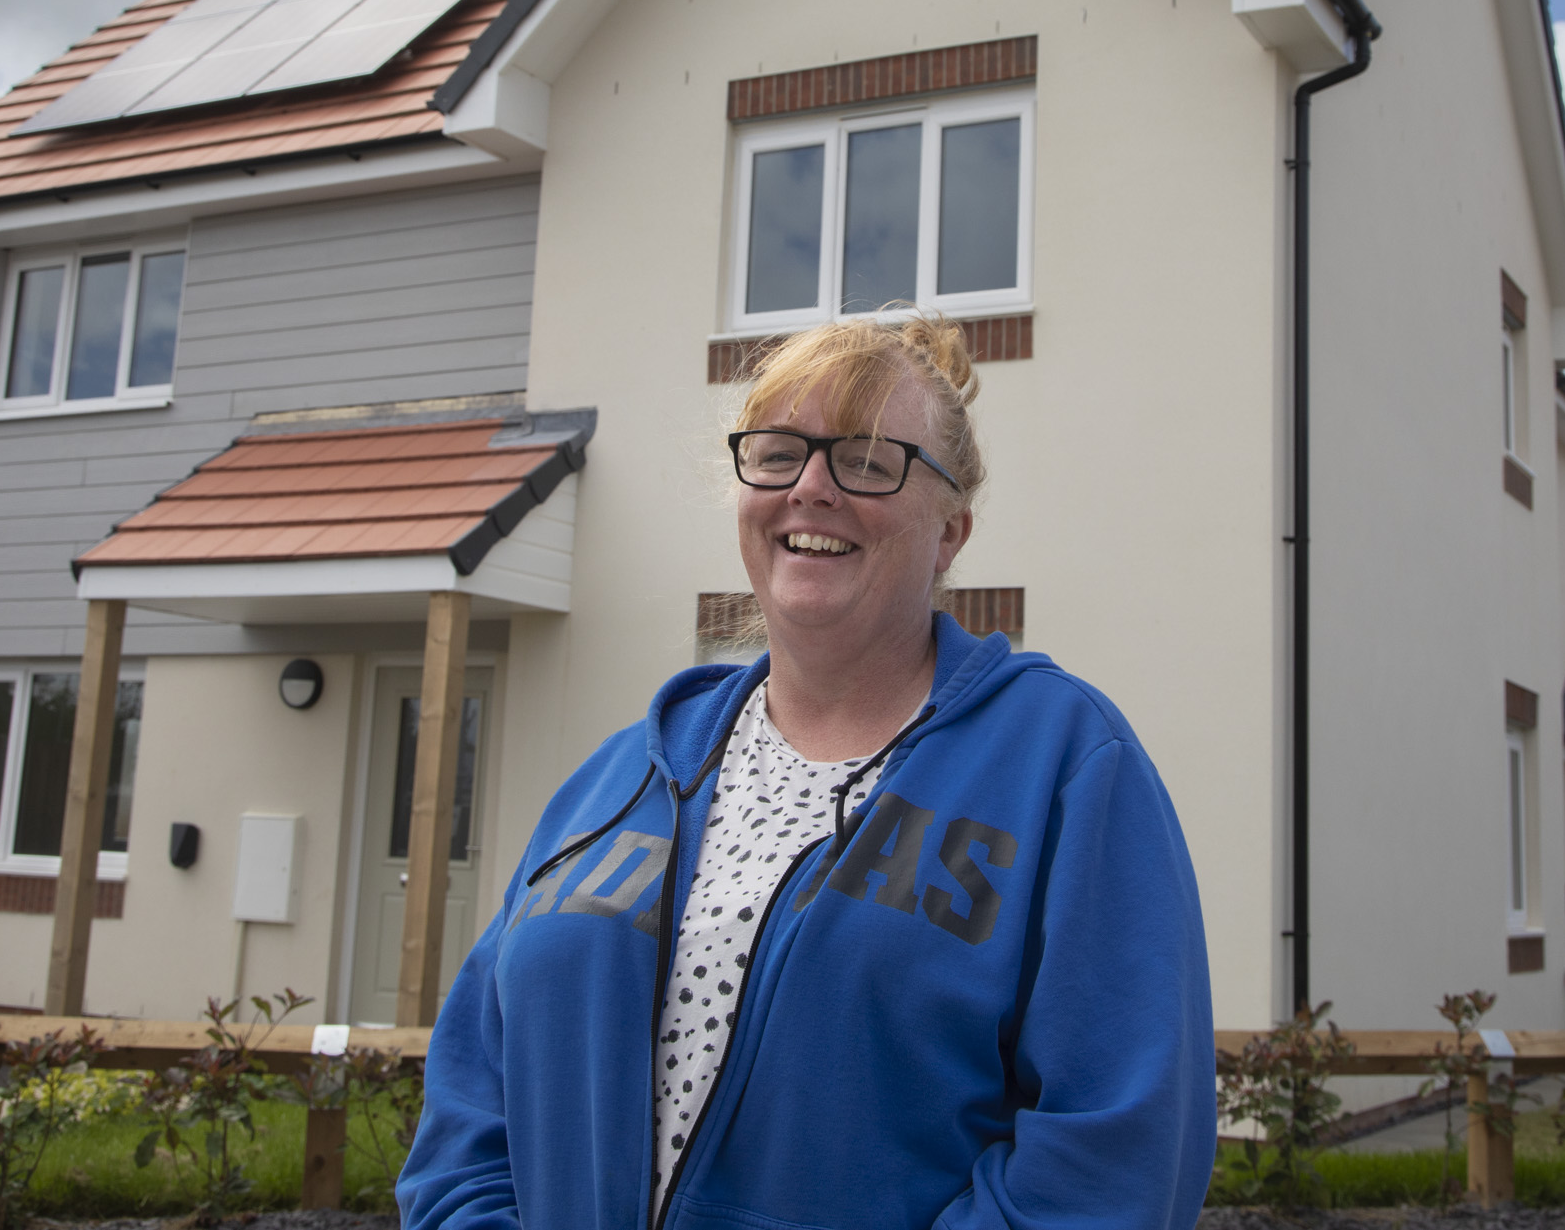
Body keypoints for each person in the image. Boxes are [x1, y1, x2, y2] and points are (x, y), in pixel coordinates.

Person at [399, 313, 1216, 1229]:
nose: (812, 487)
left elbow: (1114, 1157)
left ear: (950, 530)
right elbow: (471, 1100)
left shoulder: (1065, 764)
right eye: (779, 452)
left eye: (868, 460)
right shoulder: (621, 777)